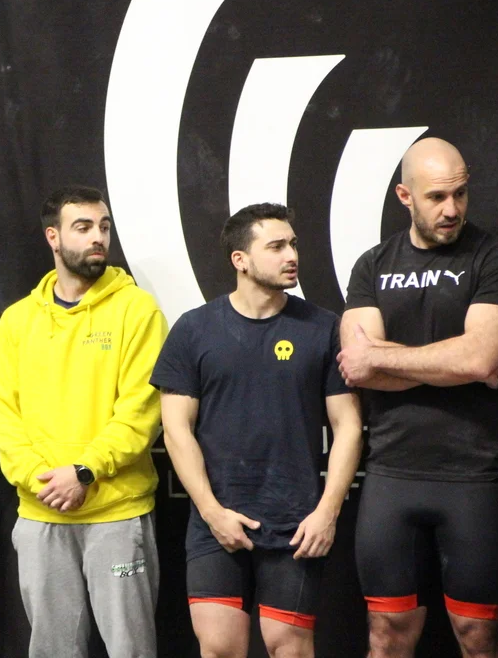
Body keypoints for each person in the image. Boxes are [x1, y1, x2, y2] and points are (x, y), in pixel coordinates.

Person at [152, 202, 363, 658]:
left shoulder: (323, 328)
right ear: (240, 260)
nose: (292, 256)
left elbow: (348, 426)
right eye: (276, 246)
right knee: (219, 647)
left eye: (293, 245)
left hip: (296, 523)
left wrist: (327, 513)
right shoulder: (193, 329)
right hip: (216, 520)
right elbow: (175, 430)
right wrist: (211, 511)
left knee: (289, 647)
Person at [339, 137, 498, 658]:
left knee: (480, 636)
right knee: (386, 636)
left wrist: (388, 357)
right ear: (404, 196)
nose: (452, 209)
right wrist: (458, 364)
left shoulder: (495, 258)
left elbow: (479, 356)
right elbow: (358, 368)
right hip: (392, 474)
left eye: (460, 194)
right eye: (436, 196)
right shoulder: (372, 265)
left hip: (475, 475)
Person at [0, 185, 165, 658]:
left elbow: (141, 411)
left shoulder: (137, 310)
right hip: (41, 511)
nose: (97, 237)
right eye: (83, 227)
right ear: (53, 236)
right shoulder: (18, 321)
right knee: (51, 651)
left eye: (103, 227)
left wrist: (84, 471)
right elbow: (4, 416)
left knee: (131, 650)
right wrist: (43, 482)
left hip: (117, 513)